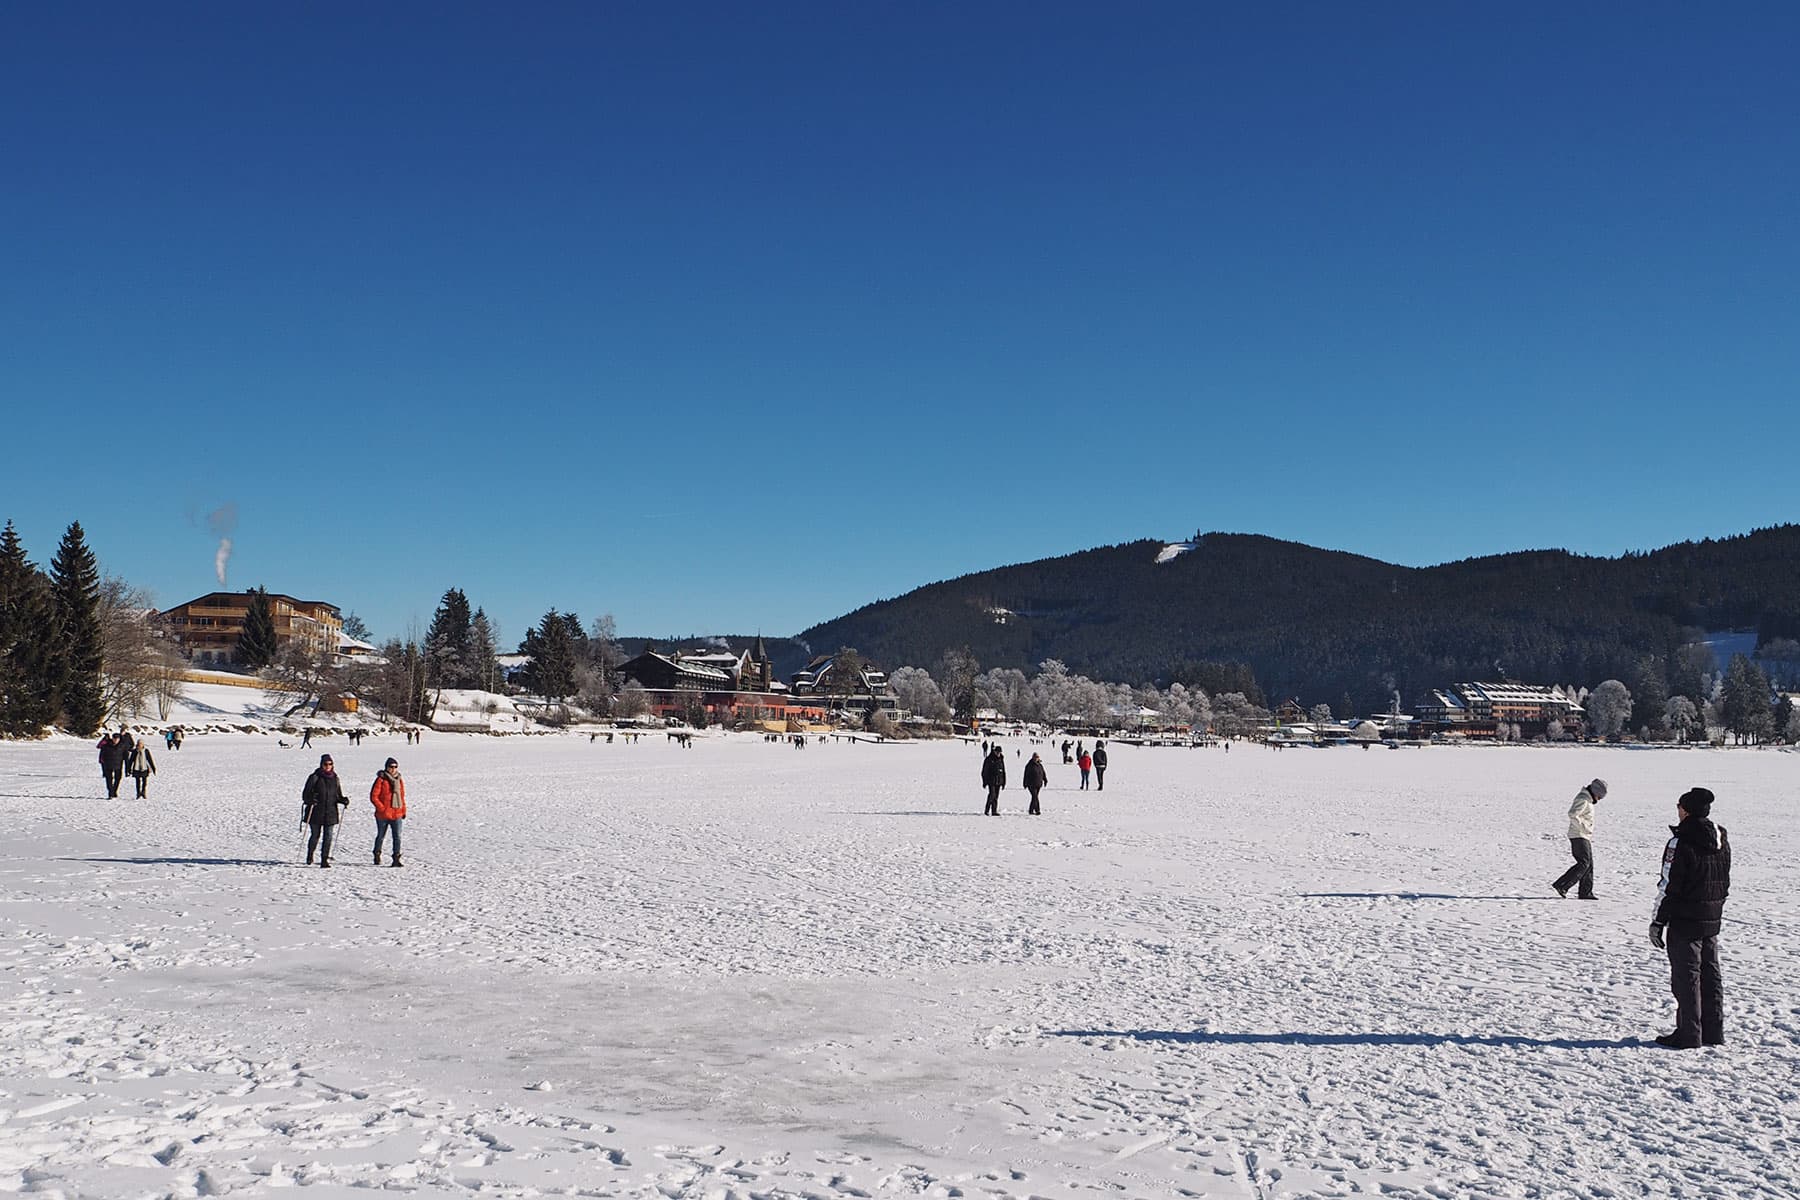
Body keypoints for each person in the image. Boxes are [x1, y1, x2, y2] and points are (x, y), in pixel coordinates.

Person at [1649, 787, 1730, 1048]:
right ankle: (1713, 1032)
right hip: (1711, 918)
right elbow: (1725, 880)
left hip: (1685, 921)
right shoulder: (1721, 838)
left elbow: (1669, 885)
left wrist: (1658, 921)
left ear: (1685, 810)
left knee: (1687, 978)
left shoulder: (1680, 842)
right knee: (1711, 974)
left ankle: (1689, 1034)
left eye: (1679, 806)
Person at [1551, 778, 1607, 899]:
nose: (1599, 799)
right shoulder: (1583, 799)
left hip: (1583, 835)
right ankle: (1562, 885)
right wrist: (1584, 827)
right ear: (1596, 792)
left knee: (1589, 864)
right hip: (1578, 835)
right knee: (1584, 863)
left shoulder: (1588, 800)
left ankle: (1585, 892)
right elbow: (1572, 813)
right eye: (1600, 796)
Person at [301, 754, 347, 868]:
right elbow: (305, 794)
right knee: (315, 835)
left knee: (328, 836)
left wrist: (343, 800)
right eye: (325, 764)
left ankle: (324, 859)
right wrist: (311, 799)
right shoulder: (314, 777)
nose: (328, 766)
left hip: (330, 812)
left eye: (330, 764)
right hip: (316, 811)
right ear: (321, 765)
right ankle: (310, 854)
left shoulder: (335, 778)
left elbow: (337, 795)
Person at [371, 756, 406, 867]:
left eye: (395, 767)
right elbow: (374, 796)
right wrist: (382, 808)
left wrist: (403, 809)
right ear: (386, 767)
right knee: (381, 836)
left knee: (397, 837)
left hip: (397, 813)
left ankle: (396, 858)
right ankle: (377, 854)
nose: (393, 769)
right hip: (383, 814)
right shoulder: (381, 779)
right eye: (391, 767)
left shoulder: (399, 780)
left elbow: (401, 796)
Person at [97, 732, 128, 798]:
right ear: (112, 738)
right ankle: (110, 793)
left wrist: (128, 767)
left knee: (118, 778)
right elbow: (100, 748)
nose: (116, 740)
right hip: (108, 765)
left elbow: (126, 757)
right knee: (109, 779)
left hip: (118, 765)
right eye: (115, 738)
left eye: (117, 739)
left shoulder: (122, 746)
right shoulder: (106, 745)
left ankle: (114, 791)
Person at [980, 745, 1006, 816]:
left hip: (999, 781)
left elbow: (1003, 771)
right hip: (991, 781)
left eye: (999, 752)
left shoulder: (1001, 759)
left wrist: (1004, 782)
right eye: (997, 752)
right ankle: (987, 810)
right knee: (992, 795)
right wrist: (984, 781)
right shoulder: (989, 759)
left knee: (996, 797)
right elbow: (984, 771)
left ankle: (994, 811)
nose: (998, 753)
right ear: (994, 751)